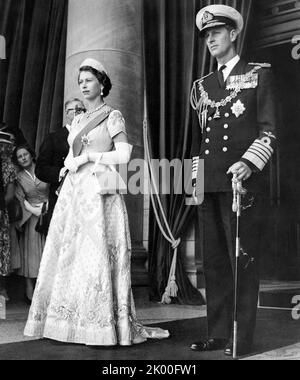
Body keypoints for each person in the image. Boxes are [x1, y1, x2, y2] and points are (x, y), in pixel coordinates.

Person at [24, 58, 169, 346]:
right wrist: (67, 165)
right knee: (73, 255)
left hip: (101, 189)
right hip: (75, 193)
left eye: (88, 80)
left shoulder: (113, 115)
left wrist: (91, 157)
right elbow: (68, 157)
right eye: (80, 81)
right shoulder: (76, 120)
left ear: (102, 83)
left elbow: (125, 155)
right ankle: (71, 323)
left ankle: (101, 326)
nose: (83, 85)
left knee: (97, 253)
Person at [189, 5, 277, 356]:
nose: (210, 38)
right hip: (210, 183)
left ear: (233, 33)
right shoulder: (203, 86)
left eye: (216, 32)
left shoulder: (258, 74)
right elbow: (200, 139)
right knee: (213, 263)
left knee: (242, 260)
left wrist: (248, 163)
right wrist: (195, 184)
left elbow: (269, 130)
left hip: (241, 184)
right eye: (206, 34)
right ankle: (220, 334)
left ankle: (243, 337)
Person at [35, 98, 85, 234]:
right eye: (74, 109)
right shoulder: (53, 138)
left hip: (84, 196)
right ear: (66, 113)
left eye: (82, 109)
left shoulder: (89, 137)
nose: (78, 113)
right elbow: (40, 169)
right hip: (60, 196)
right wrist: (60, 172)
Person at [13, 144, 49, 303]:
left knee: (50, 251)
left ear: (31, 155)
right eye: (20, 157)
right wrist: (31, 209)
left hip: (50, 212)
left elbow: (55, 188)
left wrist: (47, 206)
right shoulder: (19, 177)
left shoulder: (43, 169)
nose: (23, 158)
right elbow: (19, 199)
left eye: (25, 154)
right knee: (32, 254)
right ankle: (29, 288)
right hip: (31, 217)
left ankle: (49, 290)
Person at [0, 126, 18, 301]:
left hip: (0, 213)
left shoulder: (8, 167)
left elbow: (10, 195)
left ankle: (1, 291)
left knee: (1, 250)